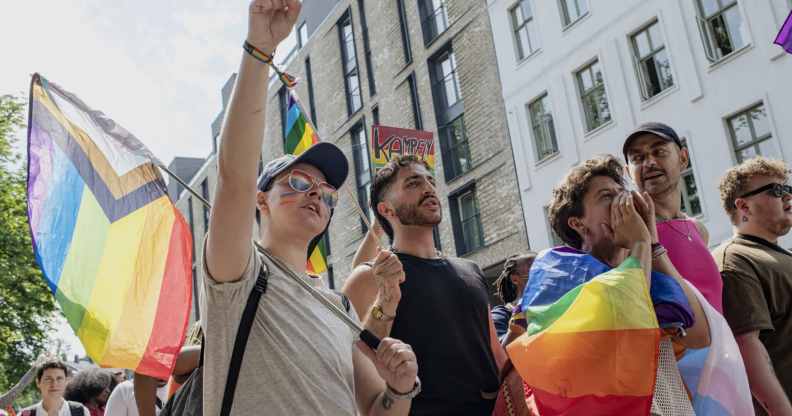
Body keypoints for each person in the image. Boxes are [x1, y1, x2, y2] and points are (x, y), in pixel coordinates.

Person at [201, 1, 420, 414]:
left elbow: (377, 407)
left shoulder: (338, 306)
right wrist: (259, 51)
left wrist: (401, 388)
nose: (316, 193)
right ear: (261, 200)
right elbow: (235, 177)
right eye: (298, 183)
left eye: (325, 191)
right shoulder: (239, 274)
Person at [522, 155, 712, 414]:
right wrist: (640, 245)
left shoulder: (646, 267)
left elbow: (700, 336)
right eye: (607, 197)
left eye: (623, 193)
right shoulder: (558, 272)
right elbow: (622, 330)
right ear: (578, 223)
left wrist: (652, 243)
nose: (624, 202)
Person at [343, 155, 506, 415]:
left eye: (430, 180)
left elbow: (496, 354)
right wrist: (385, 301)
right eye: (413, 183)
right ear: (386, 210)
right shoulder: (367, 278)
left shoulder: (470, 270)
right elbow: (358, 367)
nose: (429, 188)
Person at [712, 156, 792, 416]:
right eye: (777, 191)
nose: (787, 196)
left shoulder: (781, 256)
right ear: (744, 206)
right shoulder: (735, 259)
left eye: (788, 188)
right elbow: (747, 344)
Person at [623, 122, 723, 312]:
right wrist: (665, 345)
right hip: (667, 343)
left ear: (683, 158)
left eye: (659, 152)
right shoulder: (631, 235)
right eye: (638, 157)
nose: (649, 162)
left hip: (719, 341)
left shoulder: (698, 230)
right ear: (628, 172)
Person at [490, 253, 536, 344]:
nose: (541, 268)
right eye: (532, 265)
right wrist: (519, 320)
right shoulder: (502, 314)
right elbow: (501, 352)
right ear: (515, 279)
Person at [20, 359, 89, 416]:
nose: (54, 384)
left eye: (59, 379)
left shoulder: (81, 412)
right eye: (48, 379)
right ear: (38, 383)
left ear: (66, 382)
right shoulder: (25, 414)